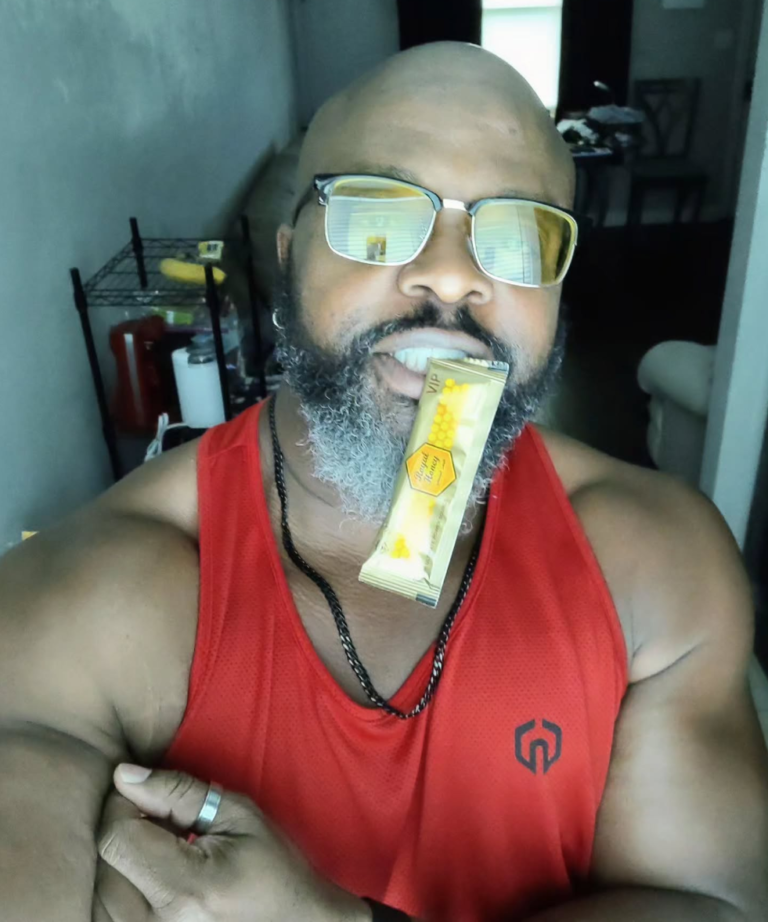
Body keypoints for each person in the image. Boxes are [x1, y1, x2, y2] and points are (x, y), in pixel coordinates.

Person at [1, 42, 767, 922]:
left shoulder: (659, 559)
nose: (453, 274)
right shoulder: (94, 593)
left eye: (516, 232)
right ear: (289, 256)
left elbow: (714, 906)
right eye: (379, 212)